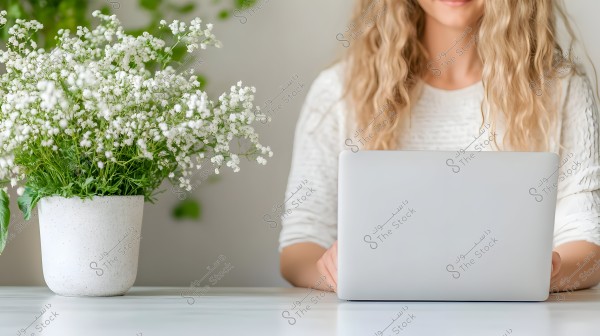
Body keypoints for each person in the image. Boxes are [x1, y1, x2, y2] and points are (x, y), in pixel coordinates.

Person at [279, 0, 600, 293]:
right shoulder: (339, 91)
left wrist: (549, 272)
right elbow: (300, 244)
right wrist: (332, 272)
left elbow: (587, 242)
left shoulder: (561, 89)